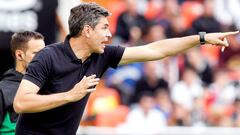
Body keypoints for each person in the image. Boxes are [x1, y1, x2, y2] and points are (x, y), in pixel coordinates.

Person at [13, 2, 238, 135]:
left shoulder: (102, 54)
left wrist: (202, 38)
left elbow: (156, 50)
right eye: (104, 28)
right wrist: (70, 95)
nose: (110, 34)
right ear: (88, 31)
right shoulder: (48, 56)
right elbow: (22, 102)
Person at [0, 31, 45, 134]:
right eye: (37, 53)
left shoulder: (49, 85)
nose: (44, 58)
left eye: (45, 53)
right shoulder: (3, 90)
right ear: (19, 55)